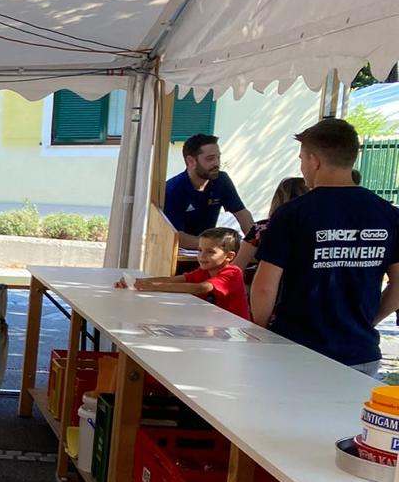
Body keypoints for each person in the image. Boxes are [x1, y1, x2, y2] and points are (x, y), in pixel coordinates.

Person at [251, 117, 399, 375]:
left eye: (301, 159)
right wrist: (368, 321)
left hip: (297, 350)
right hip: (360, 353)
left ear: (314, 160)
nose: (302, 168)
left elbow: (264, 287)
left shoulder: (292, 214)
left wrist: (263, 330)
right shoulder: (388, 213)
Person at [123, 227, 249, 318]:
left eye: (210, 252)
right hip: (214, 323)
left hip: (235, 329)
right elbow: (176, 279)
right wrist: (137, 282)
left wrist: (154, 286)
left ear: (229, 256)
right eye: (200, 250)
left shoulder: (233, 272)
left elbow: (200, 288)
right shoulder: (204, 271)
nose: (202, 256)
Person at [163, 133, 256, 252]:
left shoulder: (222, 180)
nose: (217, 163)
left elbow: (243, 215)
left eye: (218, 157)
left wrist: (254, 243)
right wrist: (214, 245)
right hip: (177, 254)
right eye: (210, 159)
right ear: (191, 161)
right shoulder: (173, 189)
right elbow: (176, 236)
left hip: (209, 251)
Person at [234, 177, 306, 271]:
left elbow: (237, 267)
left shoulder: (261, 228)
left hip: (269, 277)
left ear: (278, 199)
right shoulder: (317, 226)